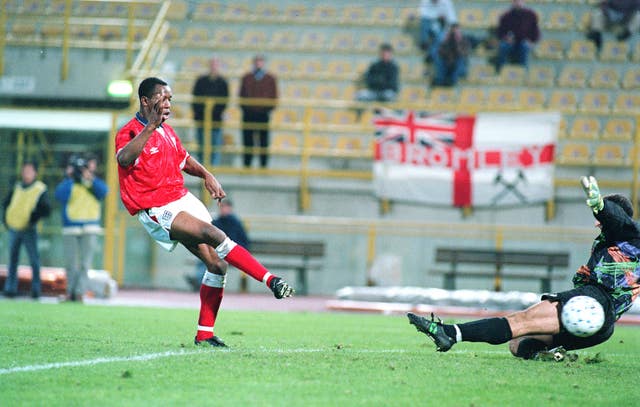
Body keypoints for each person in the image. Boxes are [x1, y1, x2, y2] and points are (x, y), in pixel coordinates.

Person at [116, 77, 293, 347]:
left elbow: (183, 159)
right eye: (163, 98)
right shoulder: (130, 131)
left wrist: (207, 175)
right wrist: (151, 126)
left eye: (170, 99)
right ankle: (271, 281)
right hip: (157, 206)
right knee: (213, 233)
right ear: (145, 101)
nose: (168, 103)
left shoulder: (167, 131)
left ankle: (205, 334)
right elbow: (124, 159)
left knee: (217, 264)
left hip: (180, 197)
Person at [408, 176, 640, 360]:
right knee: (518, 344)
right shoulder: (623, 241)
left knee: (519, 321)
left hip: (591, 303)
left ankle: (448, 333)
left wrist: (600, 205)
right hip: (604, 328)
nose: (597, 222)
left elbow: (617, 219)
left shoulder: (627, 232)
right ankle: (552, 356)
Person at [55, 155, 108, 302]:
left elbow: (103, 192)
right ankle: (69, 292)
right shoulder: (69, 183)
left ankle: (79, 293)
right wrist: (69, 177)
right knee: (70, 263)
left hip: (90, 227)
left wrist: (89, 178)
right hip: (70, 227)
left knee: (85, 263)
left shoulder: (93, 183)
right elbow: (60, 196)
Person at [2, 161, 51, 299]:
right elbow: (6, 204)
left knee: (34, 260)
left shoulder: (40, 188)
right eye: (24, 170)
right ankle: (10, 288)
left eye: (29, 171)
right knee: (12, 260)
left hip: (29, 228)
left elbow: (46, 209)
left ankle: (36, 290)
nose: (26, 173)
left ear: (35, 172)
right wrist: (5, 221)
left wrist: (33, 218)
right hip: (13, 228)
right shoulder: (17, 187)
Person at [188, 199, 251, 291]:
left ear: (230, 208)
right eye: (221, 207)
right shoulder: (216, 222)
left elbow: (244, 241)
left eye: (225, 207)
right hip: (217, 251)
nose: (223, 209)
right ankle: (200, 281)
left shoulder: (235, 223)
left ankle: (199, 282)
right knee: (206, 256)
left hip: (231, 251)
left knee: (212, 258)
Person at [239, 55, 278, 168]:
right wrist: (247, 108)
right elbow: (241, 96)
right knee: (247, 140)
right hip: (248, 114)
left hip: (263, 115)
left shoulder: (270, 78)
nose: (258, 64)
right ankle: (247, 164)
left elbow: (274, 96)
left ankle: (263, 165)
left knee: (263, 141)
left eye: (260, 62)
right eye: (257, 62)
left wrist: (266, 109)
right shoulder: (247, 78)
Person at [191, 57, 229, 166]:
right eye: (212, 64)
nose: (214, 67)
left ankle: (213, 170)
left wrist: (215, 112)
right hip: (201, 118)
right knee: (201, 144)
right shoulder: (200, 81)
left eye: (216, 64)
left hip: (216, 120)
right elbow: (195, 99)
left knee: (215, 145)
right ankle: (202, 169)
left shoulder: (223, 82)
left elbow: (225, 101)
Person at [495, 0, 540, 72]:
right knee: (503, 46)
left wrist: (531, 42)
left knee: (524, 46)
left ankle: (523, 72)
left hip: (524, 42)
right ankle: (501, 71)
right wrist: (505, 38)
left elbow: (536, 32)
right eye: (515, 1)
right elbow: (499, 32)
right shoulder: (506, 16)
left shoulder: (531, 15)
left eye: (519, 1)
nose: (518, 3)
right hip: (510, 42)